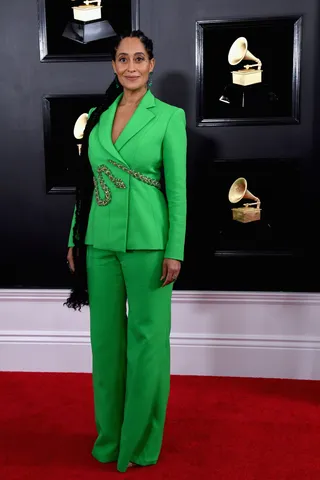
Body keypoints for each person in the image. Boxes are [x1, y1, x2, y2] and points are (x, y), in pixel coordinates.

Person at [64, 30, 187, 473]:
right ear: (113, 66)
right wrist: (77, 237)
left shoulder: (169, 117)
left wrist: (176, 249)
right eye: (122, 59)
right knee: (106, 345)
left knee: (148, 344)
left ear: (151, 64)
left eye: (139, 58)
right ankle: (110, 439)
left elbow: (177, 191)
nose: (130, 66)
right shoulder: (99, 116)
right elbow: (88, 184)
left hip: (151, 244)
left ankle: (141, 442)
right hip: (101, 242)